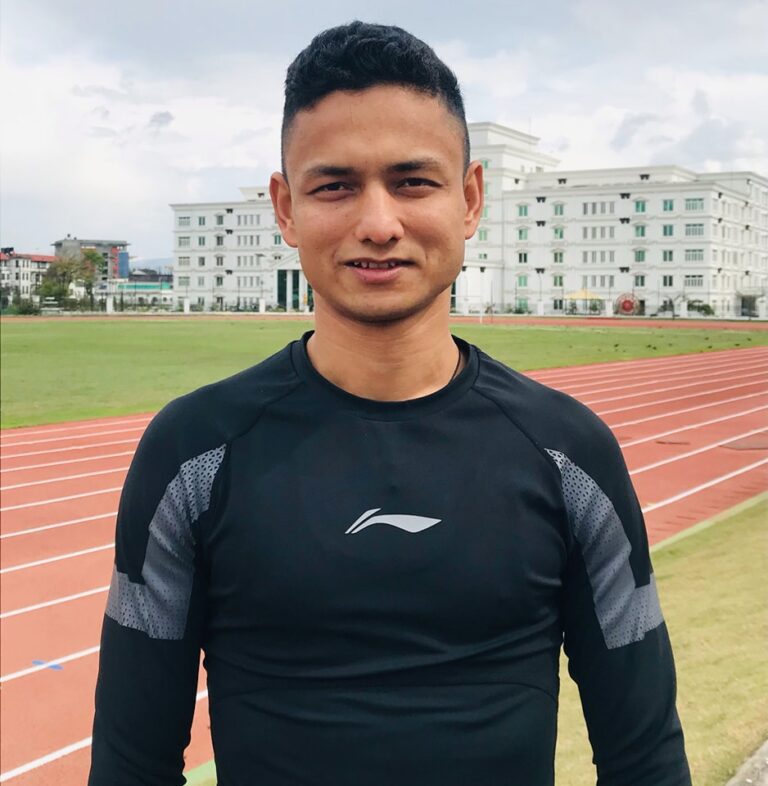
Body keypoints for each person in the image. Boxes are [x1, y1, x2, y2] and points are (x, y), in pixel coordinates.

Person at [88, 21, 691, 786]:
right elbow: (131, 766)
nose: (378, 224)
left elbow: (645, 759)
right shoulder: (193, 455)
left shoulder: (570, 456)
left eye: (412, 182)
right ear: (286, 208)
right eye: (335, 185)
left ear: (469, 199)